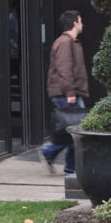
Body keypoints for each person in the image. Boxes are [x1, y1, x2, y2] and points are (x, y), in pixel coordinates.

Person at [39, 10, 89, 174]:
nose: (82, 24)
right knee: (76, 131)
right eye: (80, 20)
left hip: (69, 92)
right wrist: (70, 93)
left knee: (73, 131)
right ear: (75, 23)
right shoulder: (64, 43)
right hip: (66, 93)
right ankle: (50, 152)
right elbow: (64, 69)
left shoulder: (70, 42)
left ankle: (70, 167)